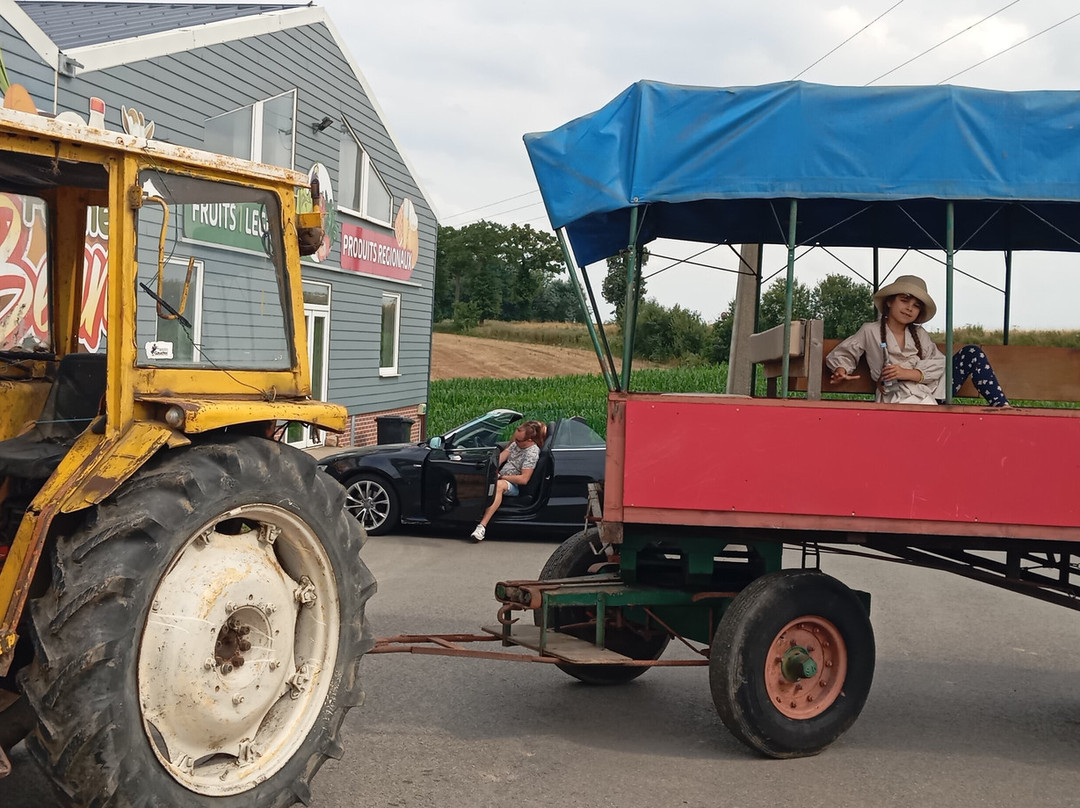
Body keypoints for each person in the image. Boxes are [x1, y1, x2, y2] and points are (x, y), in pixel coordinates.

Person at [826, 274, 1009, 407]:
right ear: (889, 302)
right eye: (904, 301)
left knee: (971, 353)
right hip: (895, 397)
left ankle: (1002, 406)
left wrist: (908, 373)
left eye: (916, 306)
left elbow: (939, 364)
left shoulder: (919, 334)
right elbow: (846, 352)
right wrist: (841, 369)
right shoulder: (870, 331)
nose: (909, 309)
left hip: (931, 393)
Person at [470, 420, 543, 542]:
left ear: (530, 440)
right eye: (516, 439)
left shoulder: (532, 453)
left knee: (499, 485)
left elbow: (524, 479)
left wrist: (502, 477)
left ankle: (482, 526)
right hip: (500, 476)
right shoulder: (516, 444)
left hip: (514, 485)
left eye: (519, 440)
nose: (516, 442)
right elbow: (499, 459)